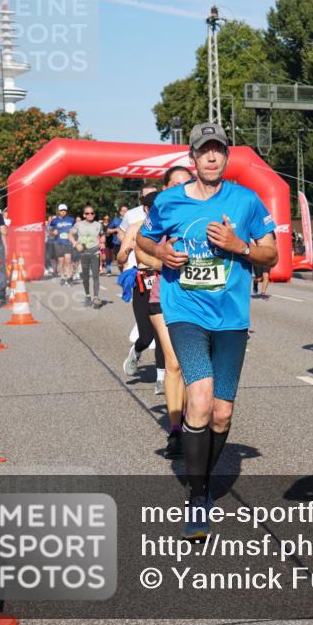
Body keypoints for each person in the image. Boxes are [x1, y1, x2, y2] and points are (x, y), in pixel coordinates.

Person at [137, 123, 277, 539]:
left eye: (218, 150)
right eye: (204, 151)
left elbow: (270, 254)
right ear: (193, 159)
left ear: (225, 157)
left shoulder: (246, 200)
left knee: (222, 411)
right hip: (186, 312)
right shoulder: (168, 201)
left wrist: (240, 246)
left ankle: (203, 477)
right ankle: (198, 497)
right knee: (199, 397)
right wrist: (160, 251)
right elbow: (144, 242)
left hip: (232, 316)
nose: (211, 157)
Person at [135, 165, 193, 458]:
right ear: (166, 188)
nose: (183, 187)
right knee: (174, 364)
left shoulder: (206, 208)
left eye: (188, 182)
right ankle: (176, 431)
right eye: (176, 184)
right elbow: (140, 249)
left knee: (197, 366)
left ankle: (195, 422)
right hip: (165, 295)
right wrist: (162, 261)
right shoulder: (159, 212)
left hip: (201, 298)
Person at [118, 186, 165, 383]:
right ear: (145, 209)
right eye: (153, 208)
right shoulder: (135, 228)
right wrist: (127, 250)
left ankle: (162, 378)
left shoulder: (168, 227)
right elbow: (120, 259)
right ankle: (136, 351)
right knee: (146, 336)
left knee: (162, 334)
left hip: (163, 282)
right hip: (143, 282)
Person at [69, 205, 104, 308]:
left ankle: (96, 297)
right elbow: (70, 235)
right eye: (87, 213)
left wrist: (102, 241)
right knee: (85, 277)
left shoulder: (98, 225)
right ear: (84, 215)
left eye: (92, 213)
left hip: (95, 252)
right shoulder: (78, 225)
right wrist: (75, 244)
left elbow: (102, 235)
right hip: (84, 252)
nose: (90, 215)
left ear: (94, 214)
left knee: (95, 275)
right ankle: (88, 296)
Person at [48, 203, 76, 285]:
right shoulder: (54, 221)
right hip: (58, 243)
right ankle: (63, 277)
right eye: (61, 210)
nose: (63, 212)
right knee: (61, 261)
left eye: (64, 210)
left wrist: (73, 235)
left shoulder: (71, 220)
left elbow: (76, 229)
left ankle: (68, 277)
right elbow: (49, 232)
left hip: (68, 242)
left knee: (68, 260)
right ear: (58, 211)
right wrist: (53, 232)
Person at [109, 204, 128, 272]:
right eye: (123, 211)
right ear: (120, 212)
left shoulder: (130, 220)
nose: (125, 212)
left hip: (127, 243)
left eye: (126, 211)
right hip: (117, 243)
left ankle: (125, 273)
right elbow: (108, 230)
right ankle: (122, 272)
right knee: (119, 261)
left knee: (126, 260)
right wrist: (115, 230)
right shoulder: (115, 220)